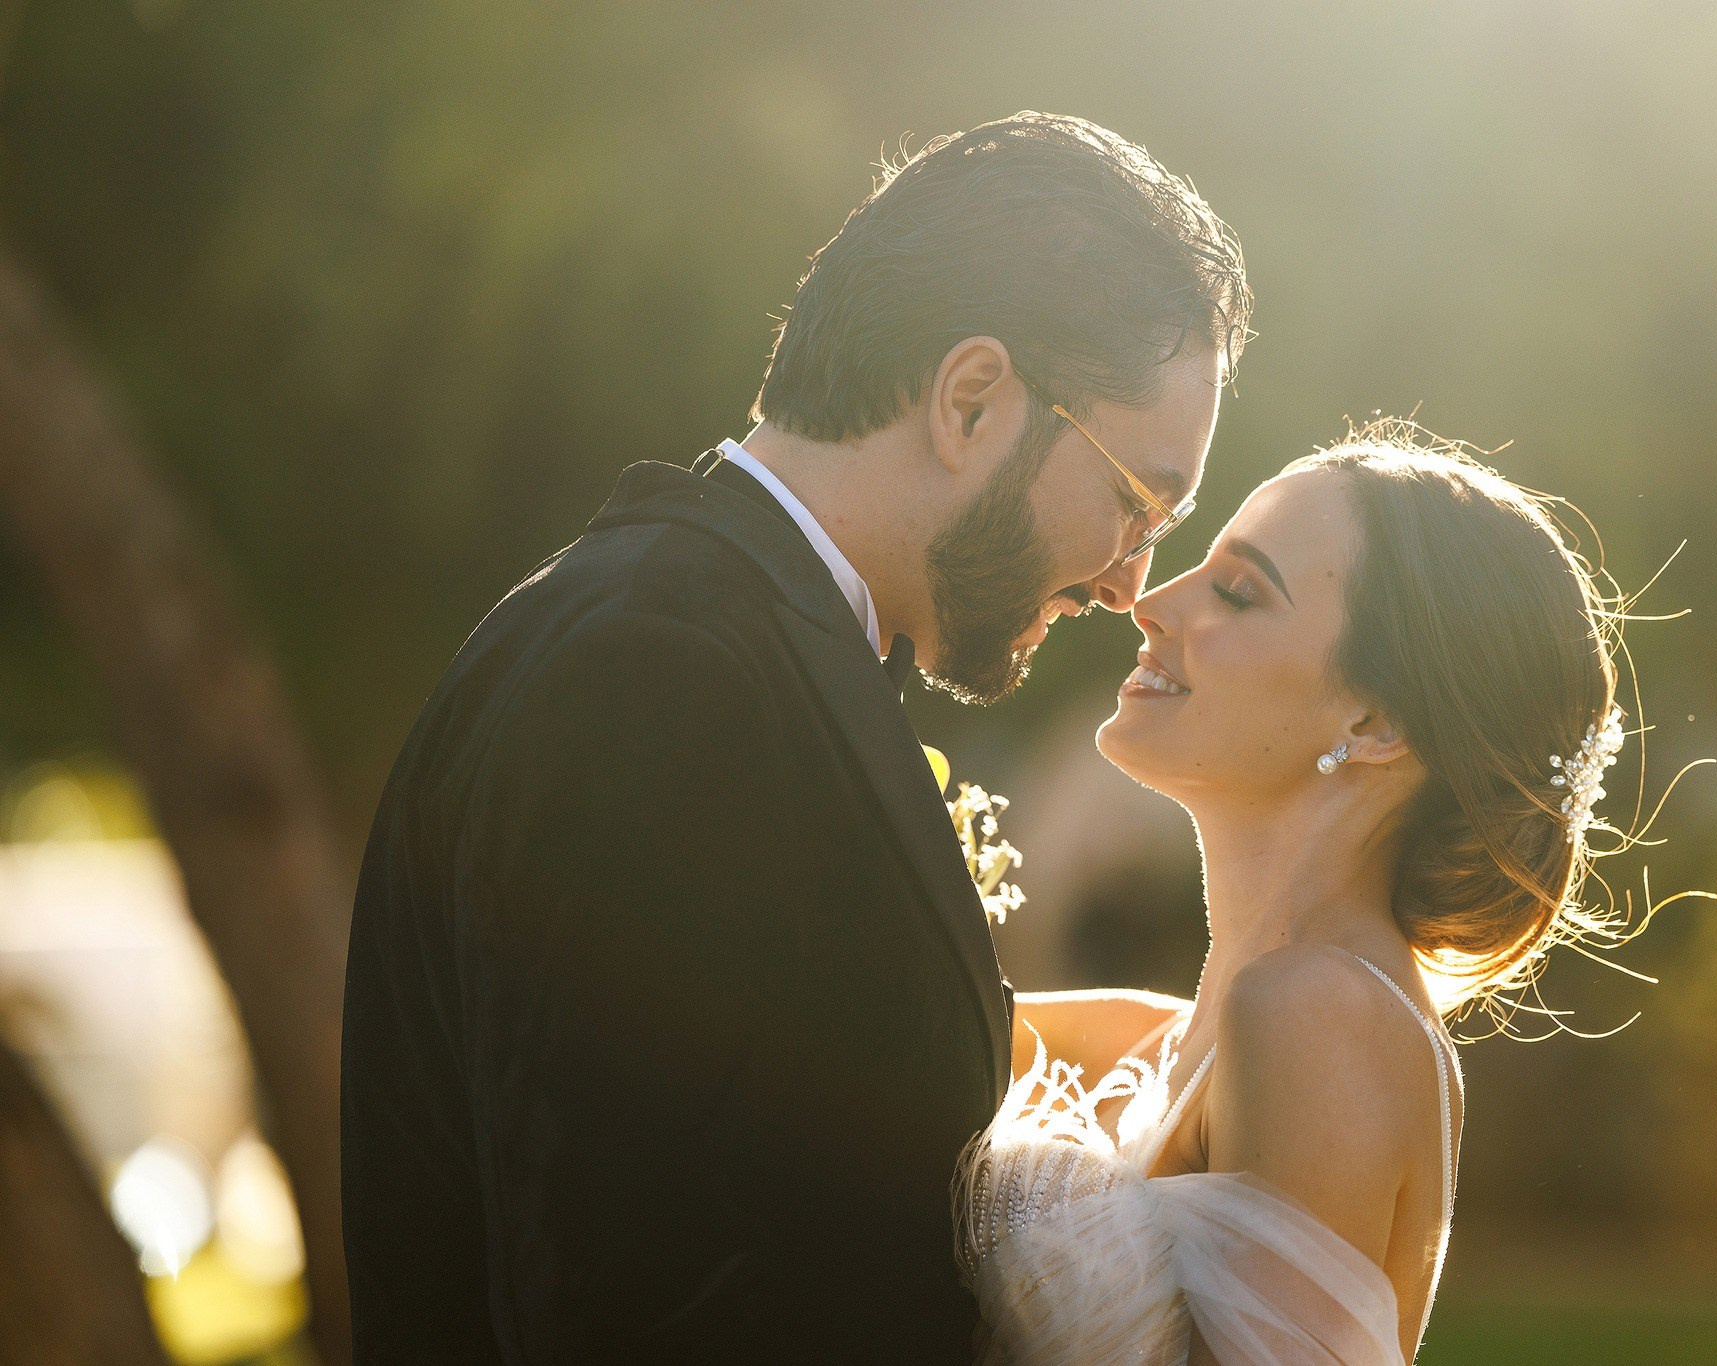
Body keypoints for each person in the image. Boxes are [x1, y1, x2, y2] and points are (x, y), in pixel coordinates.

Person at [339, 111, 1251, 1361]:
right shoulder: (659, 671)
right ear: (971, 399)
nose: (1125, 579)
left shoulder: (731, 640)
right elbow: (620, 1297)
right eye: (1134, 498)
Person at [957, 424, 1631, 1365]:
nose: (1151, 600)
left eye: (1238, 590)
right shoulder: (1167, 1039)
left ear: (1375, 720)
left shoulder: (1318, 1016)